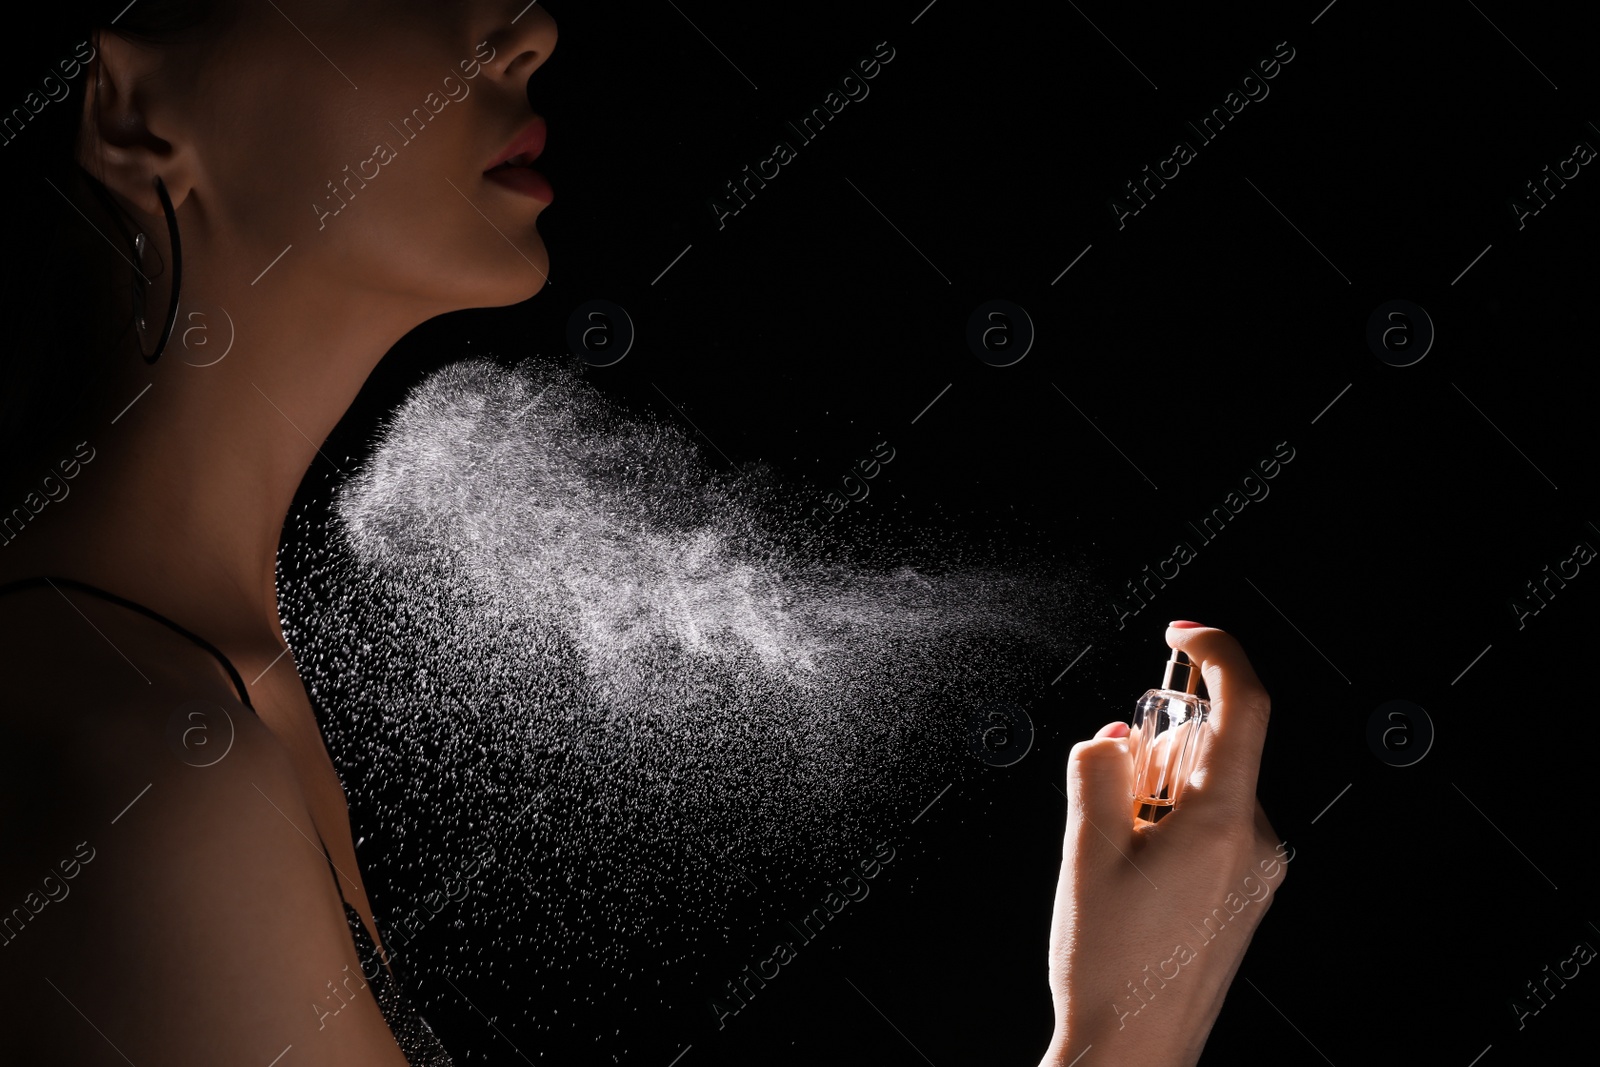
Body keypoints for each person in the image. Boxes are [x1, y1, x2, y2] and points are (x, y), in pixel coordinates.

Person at [0, 3, 1284, 1064]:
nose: (523, 28)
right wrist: (1126, 1028)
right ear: (133, 115)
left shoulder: (196, 681)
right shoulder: (144, 771)